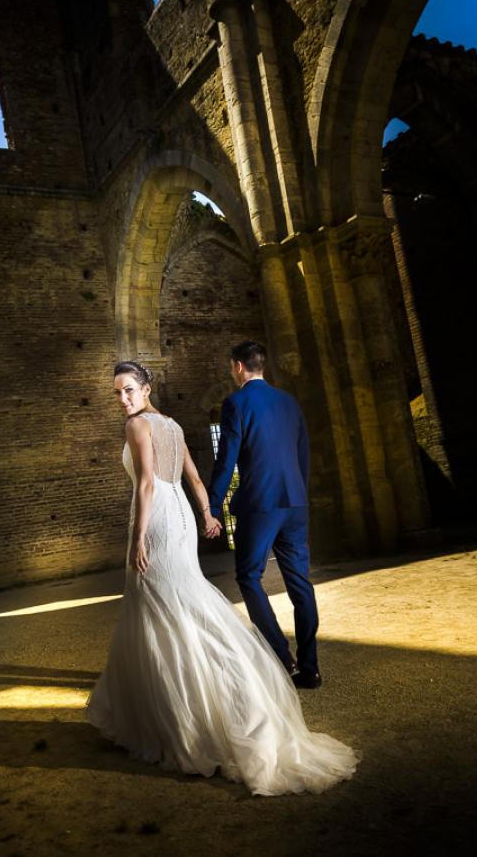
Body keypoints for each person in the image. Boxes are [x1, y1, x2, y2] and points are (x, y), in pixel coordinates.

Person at [84, 360, 357, 796]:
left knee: (163, 607)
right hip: (182, 520)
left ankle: (188, 713)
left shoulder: (138, 427)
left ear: (147, 387)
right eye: (117, 392)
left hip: (156, 521)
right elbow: (192, 475)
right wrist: (207, 513)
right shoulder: (170, 424)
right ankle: (211, 689)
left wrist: (137, 539)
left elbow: (147, 486)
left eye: (130, 390)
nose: (124, 399)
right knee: (182, 601)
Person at [207, 340, 323, 687]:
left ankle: (281, 657)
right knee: (300, 582)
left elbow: (226, 461)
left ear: (239, 366)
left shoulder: (236, 403)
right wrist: (298, 493)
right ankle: (311, 667)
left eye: (232, 366)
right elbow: (302, 454)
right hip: (295, 502)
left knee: (248, 576)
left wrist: (213, 507)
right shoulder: (289, 402)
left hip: (260, 504)